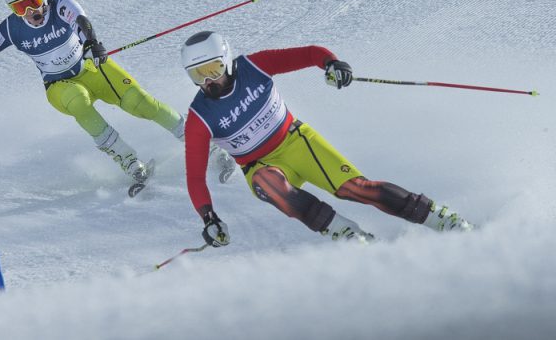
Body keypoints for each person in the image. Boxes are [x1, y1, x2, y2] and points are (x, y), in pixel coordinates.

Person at [179, 31, 474, 246]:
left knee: (355, 189)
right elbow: (195, 177)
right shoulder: (200, 117)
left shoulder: (253, 68)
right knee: (267, 183)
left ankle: (439, 218)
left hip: (296, 142)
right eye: (197, 75)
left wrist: (331, 63)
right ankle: (347, 234)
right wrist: (209, 218)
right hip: (259, 164)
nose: (207, 82)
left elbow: (308, 54)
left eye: (213, 70)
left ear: (227, 61)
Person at [0, 0, 234, 185]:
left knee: (141, 103)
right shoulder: (11, 29)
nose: (30, 12)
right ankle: (129, 160)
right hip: (58, 85)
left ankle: (204, 146)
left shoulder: (60, 4)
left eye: (33, 1)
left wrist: (92, 43)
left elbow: (80, 20)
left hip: (91, 67)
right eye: (20, 7)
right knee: (78, 101)